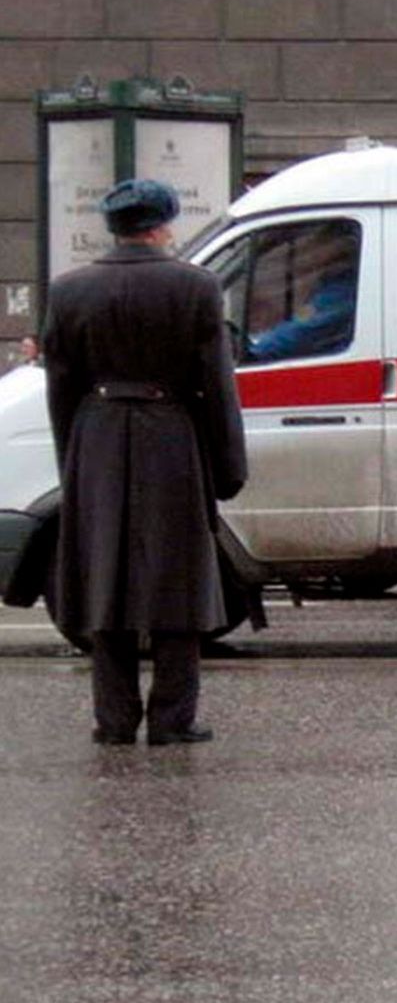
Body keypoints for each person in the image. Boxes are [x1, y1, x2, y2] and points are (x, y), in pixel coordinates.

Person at [40, 178, 247, 746]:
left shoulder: (69, 290)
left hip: (97, 436)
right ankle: (172, 718)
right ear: (162, 226)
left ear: (115, 227)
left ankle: (114, 718)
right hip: (171, 435)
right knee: (178, 576)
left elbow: (61, 388)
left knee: (103, 577)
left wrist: (73, 459)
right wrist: (228, 465)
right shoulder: (195, 286)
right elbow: (217, 386)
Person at [247, 223, 358, 362]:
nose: (310, 251)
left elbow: (301, 328)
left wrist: (256, 351)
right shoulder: (330, 283)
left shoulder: (341, 293)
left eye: (322, 243)